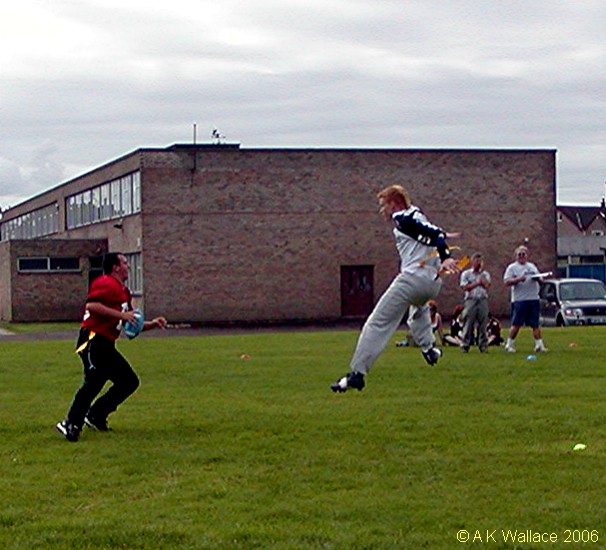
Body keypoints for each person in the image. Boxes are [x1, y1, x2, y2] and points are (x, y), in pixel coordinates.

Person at [331, 184, 460, 393]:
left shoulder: (401, 218)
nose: (384, 210)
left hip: (412, 279)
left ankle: (357, 374)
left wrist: (444, 252)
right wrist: (444, 251)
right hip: (432, 283)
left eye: (385, 204)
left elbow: (433, 233)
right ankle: (429, 349)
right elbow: (435, 235)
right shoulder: (419, 214)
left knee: (378, 322)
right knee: (418, 310)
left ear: (394, 203)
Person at [56, 253, 167, 442]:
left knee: (128, 381)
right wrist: (121, 315)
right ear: (115, 267)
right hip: (91, 338)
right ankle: (71, 423)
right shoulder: (105, 282)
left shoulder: (124, 292)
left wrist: (153, 324)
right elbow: (92, 305)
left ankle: (96, 415)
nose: (128, 266)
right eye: (125, 263)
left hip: (106, 343)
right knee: (94, 380)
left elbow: (130, 323)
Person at [502, 245, 548, 353]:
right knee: (517, 323)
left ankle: (539, 345)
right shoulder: (512, 268)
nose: (522, 256)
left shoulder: (532, 267)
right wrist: (518, 279)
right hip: (520, 300)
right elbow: (506, 282)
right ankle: (509, 344)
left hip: (533, 298)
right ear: (516, 256)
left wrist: (539, 279)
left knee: (535, 324)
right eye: (520, 254)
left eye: (524, 254)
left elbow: (540, 278)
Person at [459, 253, 491, 352]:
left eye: (480, 261)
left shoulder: (485, 274)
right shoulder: (466, 274)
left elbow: (487, 285)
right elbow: (465, 287)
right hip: (471, 300)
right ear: (472, 262)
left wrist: (482, 278)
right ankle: (465, 344)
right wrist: (477, 283)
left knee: (483, 323)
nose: (479, 263)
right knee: (468, 322)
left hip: (482, 300)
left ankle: (483, 345)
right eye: (477, 261)